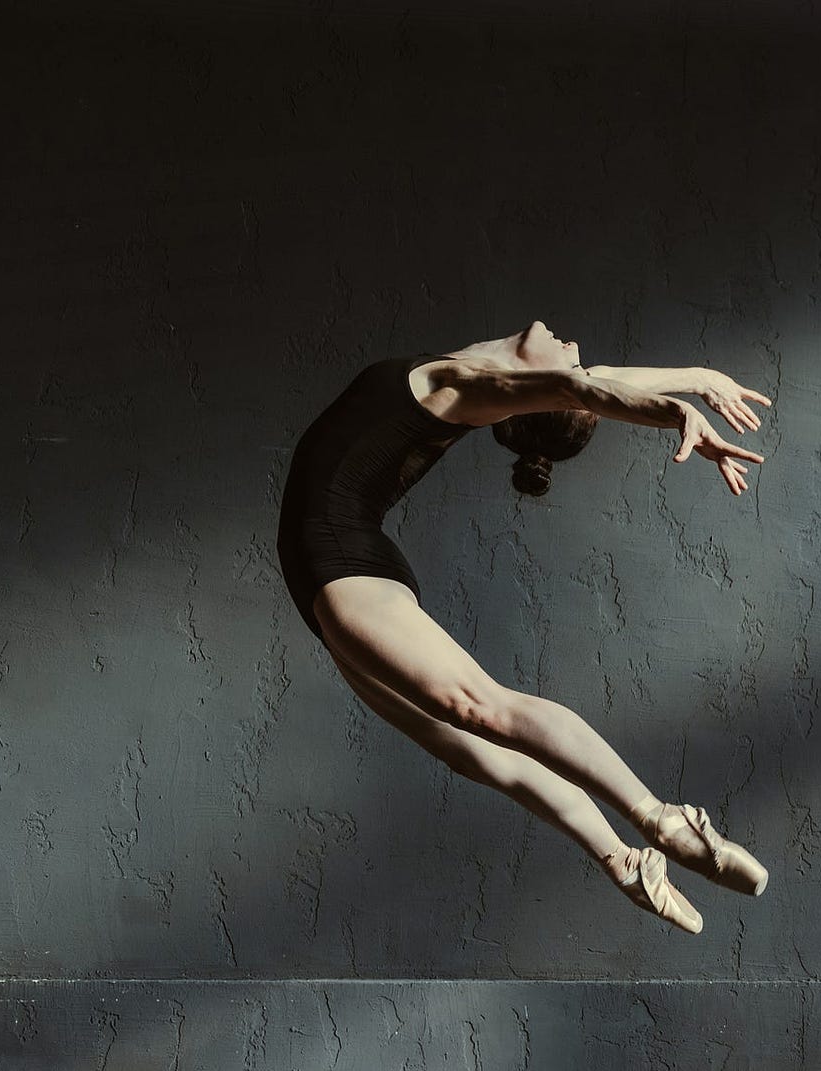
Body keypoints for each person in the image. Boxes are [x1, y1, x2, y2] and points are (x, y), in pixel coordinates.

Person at [274, 319, 774, 934]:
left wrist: (673, 411)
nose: (571, 344)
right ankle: (623, 862)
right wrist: (698, 379)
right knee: (471, 753)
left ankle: (662, 821)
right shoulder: (481, 374)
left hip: (341, 564)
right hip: (331, 575)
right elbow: (594, 383)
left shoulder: (457, 386)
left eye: (570, 362)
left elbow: (586, 391)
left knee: (478, 709)